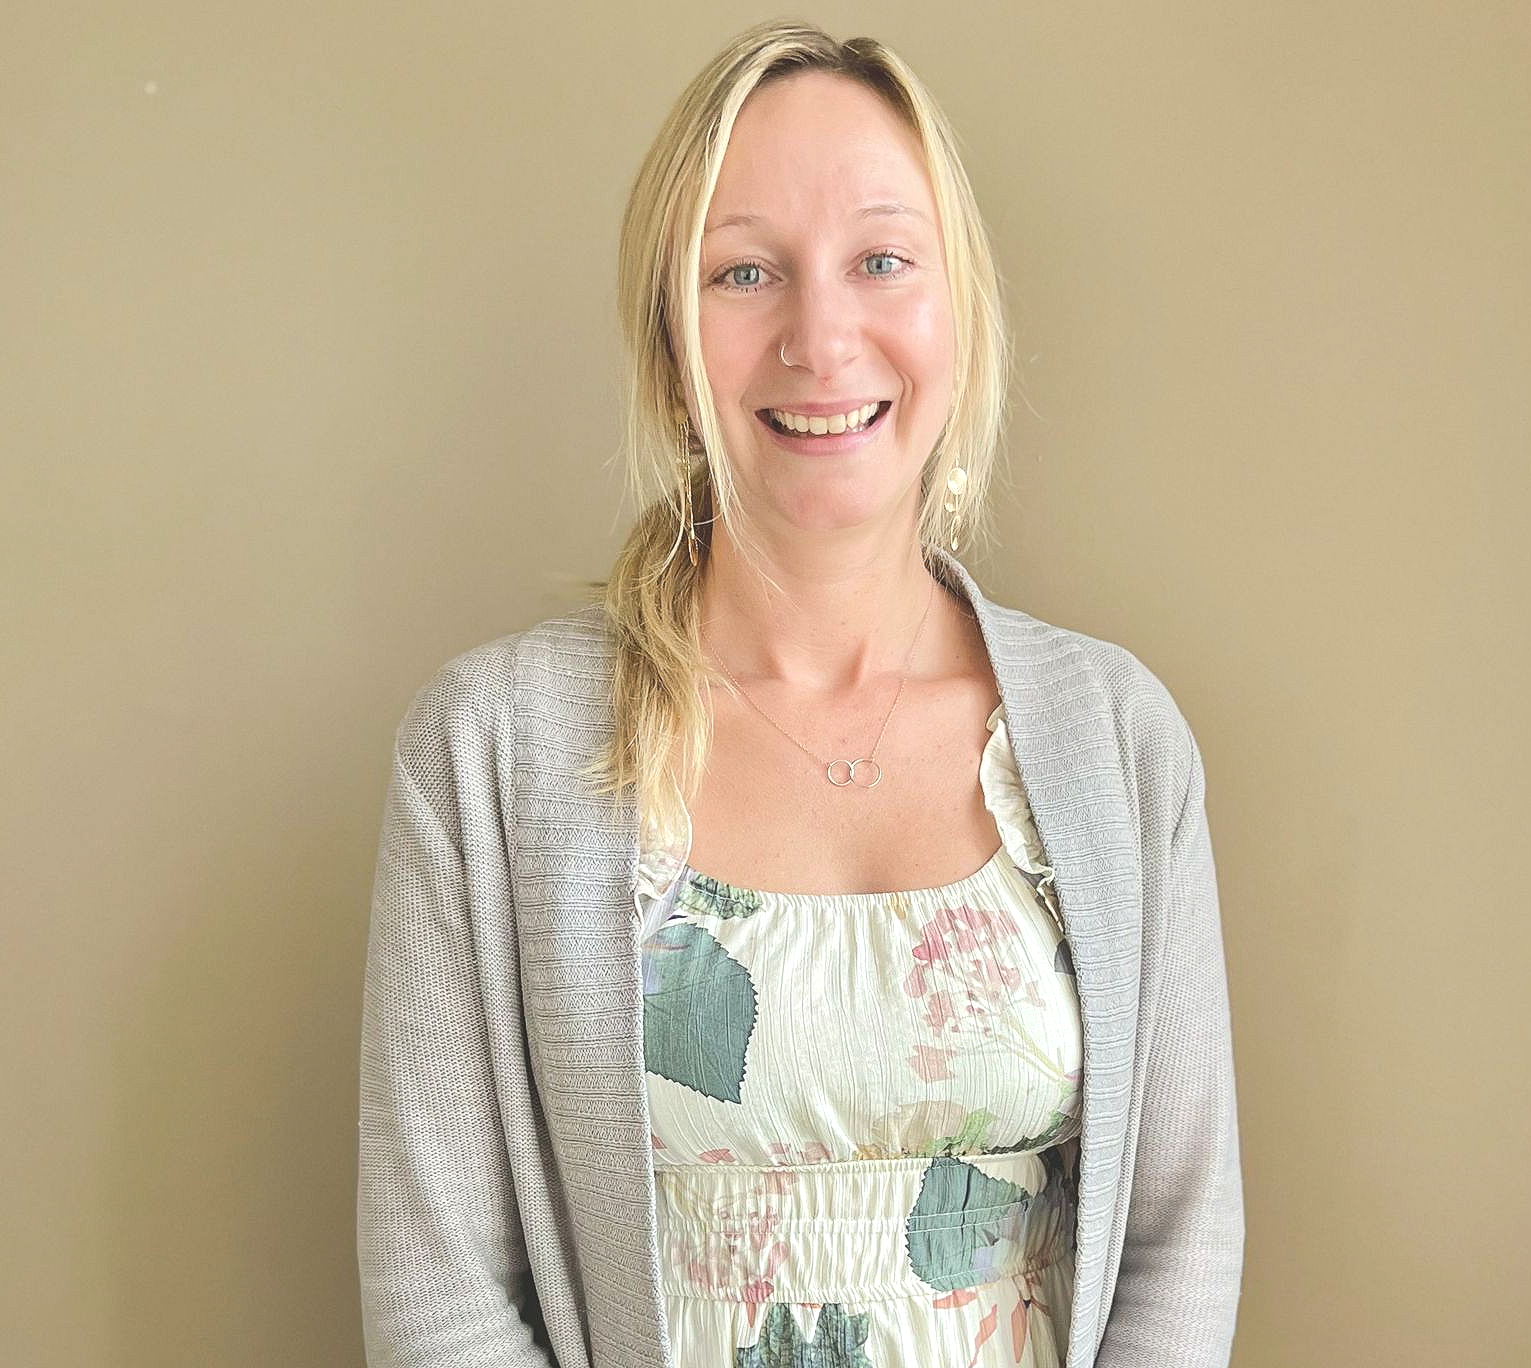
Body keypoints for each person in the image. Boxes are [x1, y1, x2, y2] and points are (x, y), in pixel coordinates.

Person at [357, 20, 1244, 1368]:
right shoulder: (491, 752)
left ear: (961, 312)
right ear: (668, 338)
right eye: (744, 273)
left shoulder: (1118, 740)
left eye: (882, 261)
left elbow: (1180, 1237)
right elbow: (438, 1291)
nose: (820, 338)